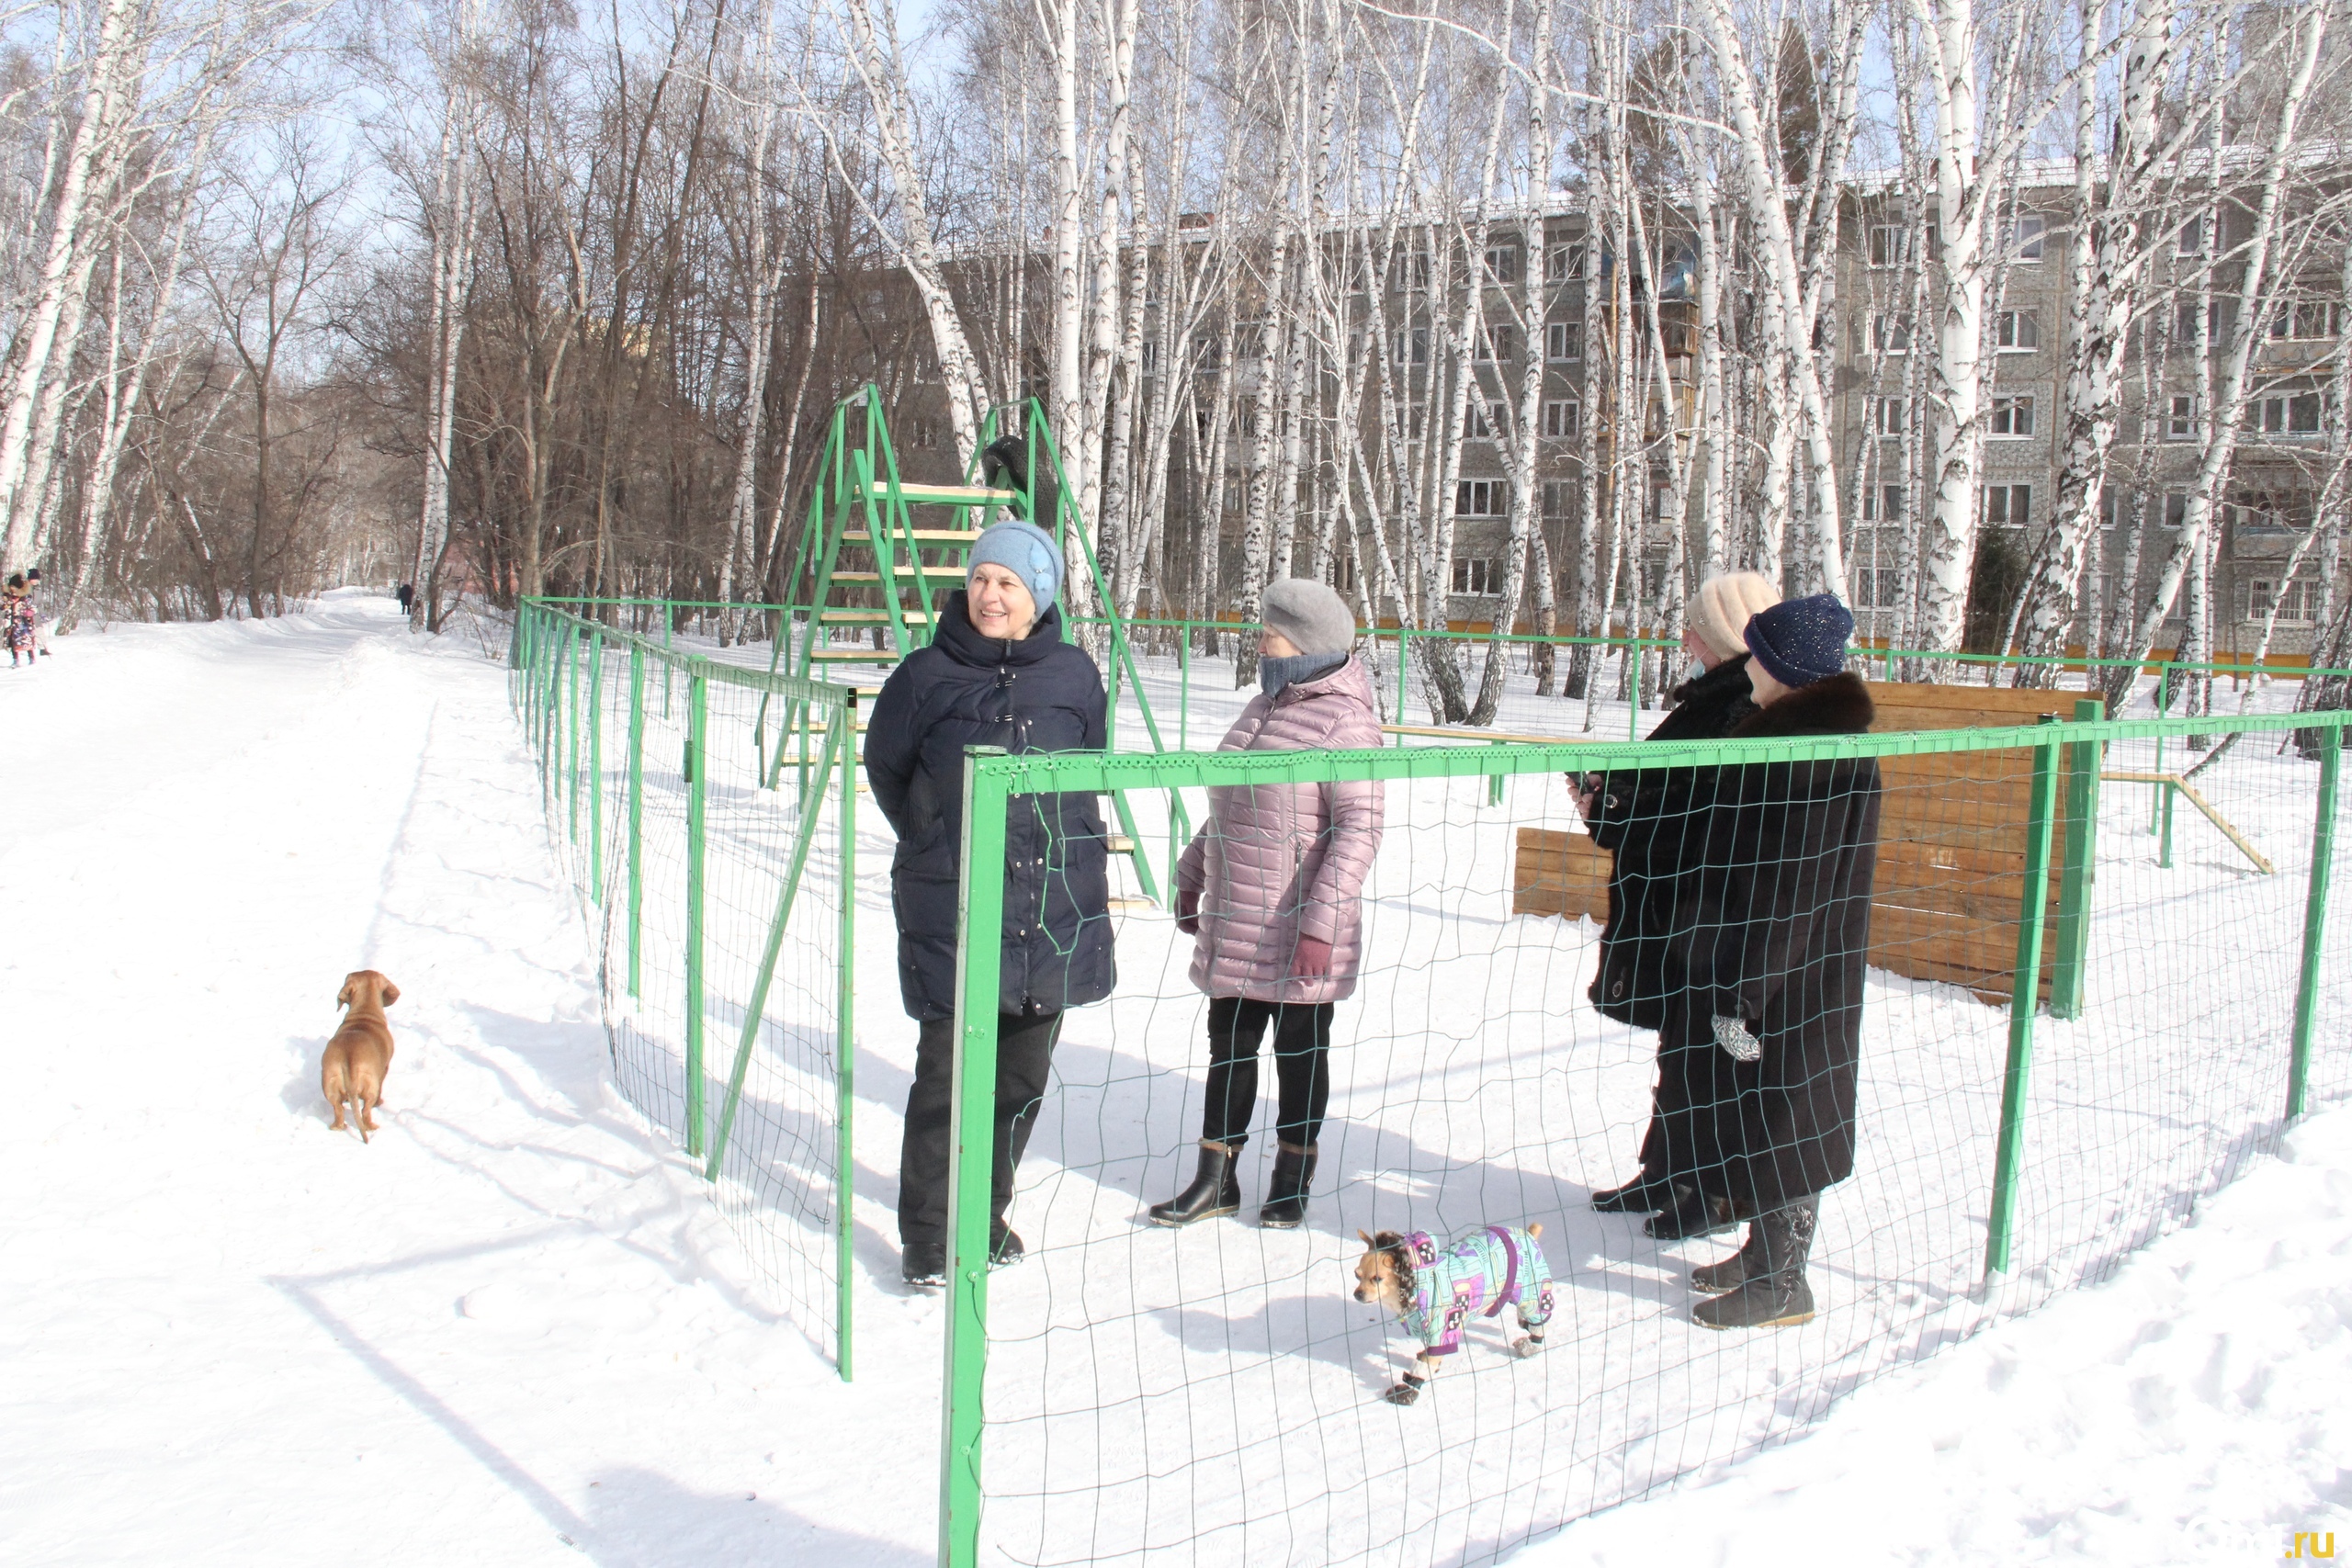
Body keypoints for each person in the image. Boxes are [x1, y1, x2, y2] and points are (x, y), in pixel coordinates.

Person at [865, 519, 1115, 1288]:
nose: (990, 595)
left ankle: (986, 1211)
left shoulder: (1074, 674)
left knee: (1019, 1079)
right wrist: (935, 833)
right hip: (958, 909)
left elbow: (1092, 763)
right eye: (980, 579)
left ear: (1038, 596)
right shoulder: (924, 674)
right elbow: (887, 767)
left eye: (1008, 583)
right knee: (946, 1077)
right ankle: (931, 1238)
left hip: (1050, 908)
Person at [1656, 592, 1881, 1330]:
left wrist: (1745, 989)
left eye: (1759, 654)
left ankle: (1787, 1280)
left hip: (1789, 975)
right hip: (1781, 963)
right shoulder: (1796, 737)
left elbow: (1791, 888)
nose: (1746, 666)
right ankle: (1764, 1253)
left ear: (1786, 668)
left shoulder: (1809, 756)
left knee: (1788, 1112)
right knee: (1766, 1107)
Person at [1149, 578, 1385, 1229]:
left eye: (1271, 631)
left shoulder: (1346, 723)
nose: (1261, 642)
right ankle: (1215, 1177)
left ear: (1306, 643)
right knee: (1229, 1046)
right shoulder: (1261, 707)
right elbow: (1228, 804)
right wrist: (1193, 871)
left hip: (1304, 930)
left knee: (1301, 1054)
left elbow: (1358, 832)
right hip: (1238, 917)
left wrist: (1321, 925)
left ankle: (1291, 1178)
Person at [1577, 571, 1780, 1239]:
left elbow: (1697, 815)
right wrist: (1610, 803)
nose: (1686, 636)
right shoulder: (1709, 699)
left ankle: (1708, 1185)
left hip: (1708, 910)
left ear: (1726, 631)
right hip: (1673, 906)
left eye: (1696, 624)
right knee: (1681, 1042)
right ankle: (1667, 1170)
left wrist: (1617, 809)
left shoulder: (1741, 707)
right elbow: (1663, 791)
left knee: (1711, 1050)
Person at [5, 572, 34, 667]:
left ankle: (32, 658)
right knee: (14, 642)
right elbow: (3, 606)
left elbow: (32, 608)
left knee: (27, 641)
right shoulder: (8, 597)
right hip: (13, 624)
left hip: (25, 623)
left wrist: (29, 612)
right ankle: (16, 659)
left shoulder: (26, 598)